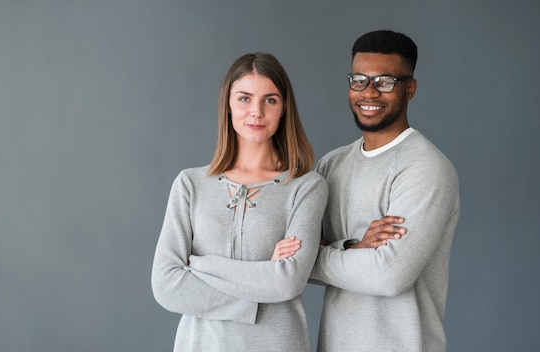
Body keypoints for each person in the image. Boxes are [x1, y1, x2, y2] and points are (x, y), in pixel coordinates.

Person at [151, 52, 328, 352]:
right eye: (244, 98)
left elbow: (287, 282)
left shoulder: (306, 187)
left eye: (270, 100)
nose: (256, 112)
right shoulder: (190, 184)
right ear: (228, 105)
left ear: (284, 107)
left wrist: (201, 266)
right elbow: (166, 286)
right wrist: (263, 277)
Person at [309, 30, 461, 352]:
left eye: (385, 82)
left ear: (410, 89)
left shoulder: (426, 168)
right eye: (359, 80)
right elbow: (293, 262)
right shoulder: (330, 165)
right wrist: (353, 248)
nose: (369, 93)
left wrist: (320, 254)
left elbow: (389, 276)